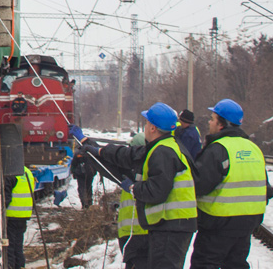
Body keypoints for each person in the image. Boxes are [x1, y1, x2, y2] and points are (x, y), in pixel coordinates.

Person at [76, 103, 196, 269]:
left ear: (153, 127)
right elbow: (129, 155)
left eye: (147, 123)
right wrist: (99, 151)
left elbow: (157, 191)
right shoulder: (164, 146)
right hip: (171, 224)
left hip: (171, 225)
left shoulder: (163, 152)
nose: (145, 126)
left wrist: (132, 188)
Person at [190, 99, 267, 269]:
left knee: (204, 263)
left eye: (212, 119)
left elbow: (198, 185)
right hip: (247, 223)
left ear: (221, 124)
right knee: (236, 264)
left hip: (217, 224)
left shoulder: (218, 149)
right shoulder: (254, 149)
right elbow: (265, 190)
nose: (209, 122)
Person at [3, 165, 36, 269]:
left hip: (12, 215)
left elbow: (6, 198)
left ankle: (11, 266)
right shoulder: (27, 172)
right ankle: (20, 266)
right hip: (24, 214)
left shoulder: (11, 172)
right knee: (18, 246)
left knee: (10, 246)